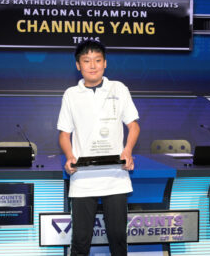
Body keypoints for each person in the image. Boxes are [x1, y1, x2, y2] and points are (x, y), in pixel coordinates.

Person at [57, 40, 140, 256]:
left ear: (105, 63)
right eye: (86, 61)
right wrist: (69, 157)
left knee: (118, 240)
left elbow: (133, 126)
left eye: (97, 60)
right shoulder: (70, 94)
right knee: (80, 241)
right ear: (78, 65)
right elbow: (64, 134)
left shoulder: (118, 88)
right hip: (83, 179)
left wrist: (128, 151)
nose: (92, 65)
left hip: (115, 177)